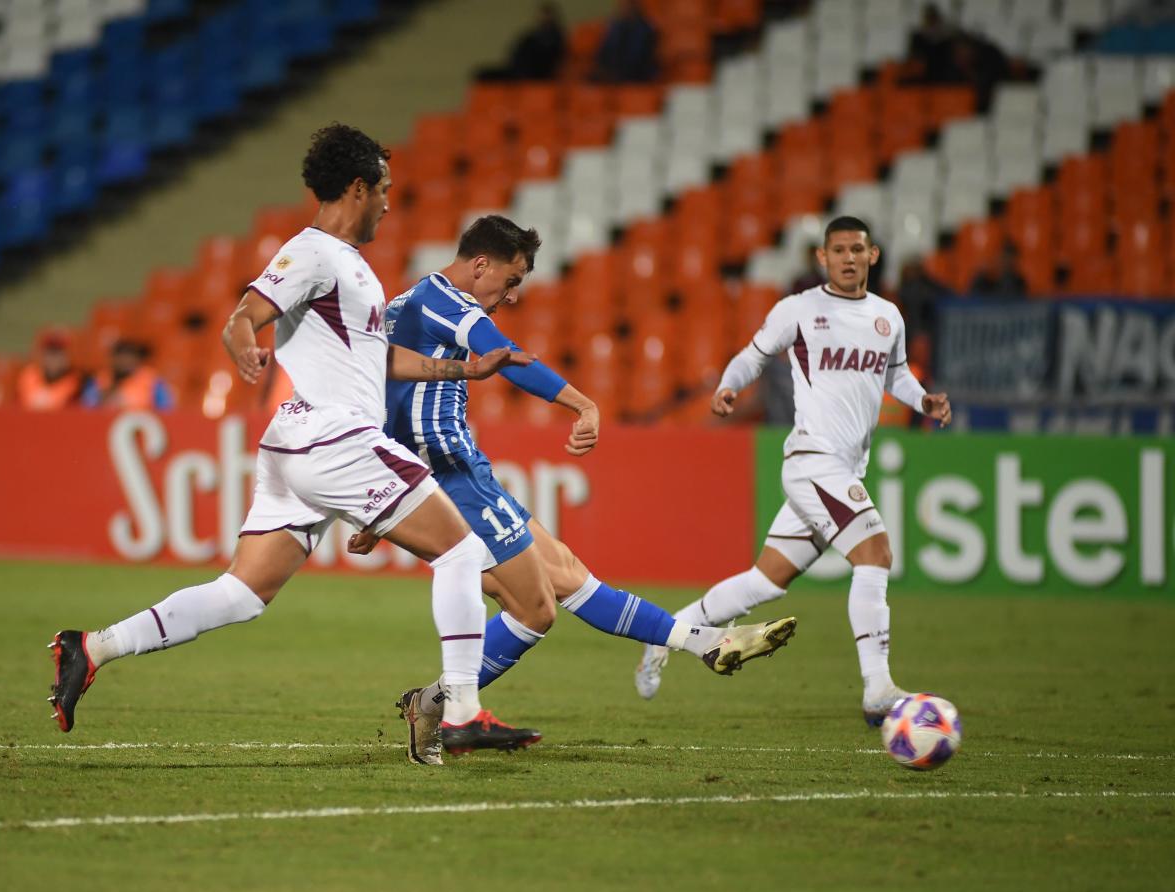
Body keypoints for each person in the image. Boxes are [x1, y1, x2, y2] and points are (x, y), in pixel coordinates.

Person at [49, 123, 543, 757]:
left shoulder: (351, 268)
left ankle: (91, 648)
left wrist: (460, 369)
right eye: (384, 190)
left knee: (242, 592)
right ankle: (460, 713)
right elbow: (245, 314)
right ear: (357, 188)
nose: (391, 203)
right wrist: (243, 347)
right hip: (333, 436)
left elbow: (376, 359)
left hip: (301, 446)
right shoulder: (311, 252)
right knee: (461, 552)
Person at [358, 214, 797, 766]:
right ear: (480, 265)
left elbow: (373, 400)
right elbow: (509, 359)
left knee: (551, 590)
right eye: (511, 281)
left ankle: (435, 704)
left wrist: (380, 500)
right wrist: (583, 404)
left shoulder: (406, 303)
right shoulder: (445, 301)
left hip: (448, 474)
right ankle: (444, 707)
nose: (512, 296)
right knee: (548, 596)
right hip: (452, 474)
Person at [634, 216, 952, 727]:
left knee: (767, 580)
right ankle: (877, 688)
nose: (848, 258)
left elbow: (895, 373)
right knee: (875, 554)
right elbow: (752, 355)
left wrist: (923, 399)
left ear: (872, 256)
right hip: (812, 460)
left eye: (857, 249)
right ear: (822, 259)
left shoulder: (888, 317)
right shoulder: (800, 311)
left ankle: (669, 632)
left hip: (843, 466)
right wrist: (729, 386)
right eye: (838, 250)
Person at [81, 338, 173, 411]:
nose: (125, 362)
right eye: (121, 356)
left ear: (137, 359)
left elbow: (166, 409)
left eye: (129, 357)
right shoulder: (98, 380)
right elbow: (87, 407)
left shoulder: (152, 381)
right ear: (113, 358)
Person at [17, 328, 88, 410]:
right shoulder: (29, 375)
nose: (53, 358)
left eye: (59, 352)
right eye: (50, 351)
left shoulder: (80, 382)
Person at [593, 0, 658, 84]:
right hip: (613, 72)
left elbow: (638, 58)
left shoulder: (644, 29)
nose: (623, 7)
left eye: (627, 4)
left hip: (636, 76)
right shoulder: (616, 27)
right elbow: (604, 53)